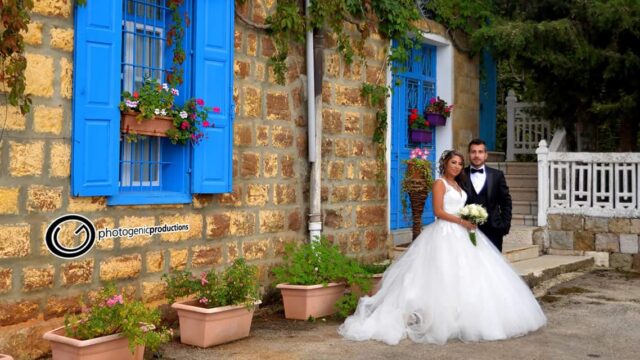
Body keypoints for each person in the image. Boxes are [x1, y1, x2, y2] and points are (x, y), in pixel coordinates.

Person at [339, 150, 546, 345]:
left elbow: (461, 206)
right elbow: (438, 211)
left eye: (459, 164)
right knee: (442, 274)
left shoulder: (458, 185)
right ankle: (436, 319)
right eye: (453, 163)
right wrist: (461, 220)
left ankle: (463, 319)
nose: (456, 167)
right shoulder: (439, 183)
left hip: (464, 232)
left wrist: (470, 218)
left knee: (468, 275)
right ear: (445, 164)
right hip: (445, 232)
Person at [461, 139, 512, 252]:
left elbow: (506, 202)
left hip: (493, 229)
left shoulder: (497, 175)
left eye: (480, 152)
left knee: (494, 266)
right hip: (466, 230)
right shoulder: (460, 175)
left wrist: (504, 225)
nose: (477, 155)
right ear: (469, 154)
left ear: (486, 155)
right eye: (473, 152)